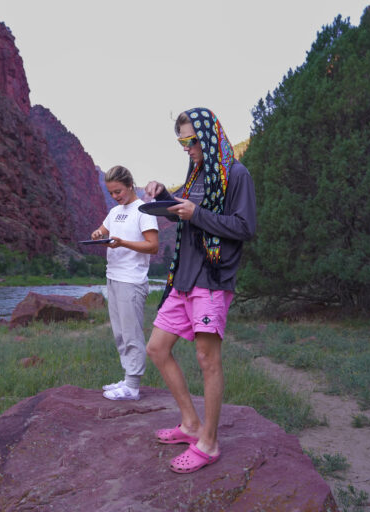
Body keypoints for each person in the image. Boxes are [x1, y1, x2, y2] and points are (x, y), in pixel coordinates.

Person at [143, 107, 256, 473]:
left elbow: (244, 227)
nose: (187, 148)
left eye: (190, 141)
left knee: (208, 360)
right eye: (181, 142)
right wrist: (163, 195)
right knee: (157, 348)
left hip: (212, 278)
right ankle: (190, 423)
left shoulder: (237, 175)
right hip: (184, 278)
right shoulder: (195, 175)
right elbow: (181, 209)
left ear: (208, 135)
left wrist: (198, 215)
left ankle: (208, 442)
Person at [92, 165, 159, 400]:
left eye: (118, 191)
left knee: (132, 334)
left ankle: (132, 386)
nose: (115, 197)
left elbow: (153, 245)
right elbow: (103, 229)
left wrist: (123, 243)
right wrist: (98, 235)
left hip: (132, 279)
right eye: (111, 193)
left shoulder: (144, 210)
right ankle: (127, 378)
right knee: (120, 333)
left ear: (130, 185)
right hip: (113, 276)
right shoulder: (115, 212)